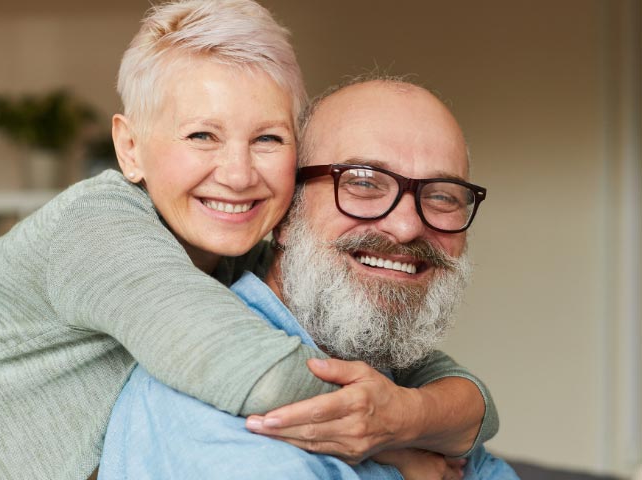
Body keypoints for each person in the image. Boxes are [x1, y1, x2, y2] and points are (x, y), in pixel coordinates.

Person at [0, 1, 496, 479]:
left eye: (267, 139)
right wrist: (396, 443)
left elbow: (471, 400)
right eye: (201, 136)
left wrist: (410, 410)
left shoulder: (241, 254)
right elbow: (259, 373)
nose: (238, 176)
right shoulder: (95, 230)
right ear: (130, 148)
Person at [98, 77, 518, 480]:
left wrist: (412, 417)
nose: (407, 226)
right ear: (286, 212)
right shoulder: (209, 411)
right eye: (364, 183)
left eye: (442, 195)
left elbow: (474, 412)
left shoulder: (394, 378)